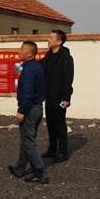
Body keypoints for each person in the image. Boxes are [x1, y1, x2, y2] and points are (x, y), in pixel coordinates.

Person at [8, 41, 49, 184]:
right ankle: (19, 168)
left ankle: (40, 173)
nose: (19, 52)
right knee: (26, 140)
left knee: (29, 142)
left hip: (30, 109)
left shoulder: (30, 70)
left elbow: (28, 92)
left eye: (22, 49)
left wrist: (21, 111)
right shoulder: (36, 67)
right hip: (37, 108)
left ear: (30, 54)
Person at [40, 29, 74, 163]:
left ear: (59, 42)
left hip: (59, 97)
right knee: (50, 124)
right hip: (49, 96)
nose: (48, 40)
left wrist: (66, 97)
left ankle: (63, 152)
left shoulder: (65, 58)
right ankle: (52, 149)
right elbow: (40, 66)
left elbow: (68, 79)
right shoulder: (49, 56)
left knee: (59, 125)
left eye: (51, 38)